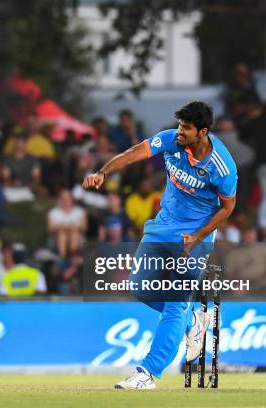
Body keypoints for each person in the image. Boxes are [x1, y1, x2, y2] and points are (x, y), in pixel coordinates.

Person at [83, 101, 237, 390]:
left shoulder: (222, 166)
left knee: (175, 305)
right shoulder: (171, 140)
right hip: (162, 227)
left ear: (202, 132)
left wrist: (198, 237)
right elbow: (134, 153)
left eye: (186, 128)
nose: (179, 132)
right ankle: (194, 321)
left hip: (193, 238)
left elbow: (228, 208)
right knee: (138, 288)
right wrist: (103, 172)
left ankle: (147, 373)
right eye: (179, 125)